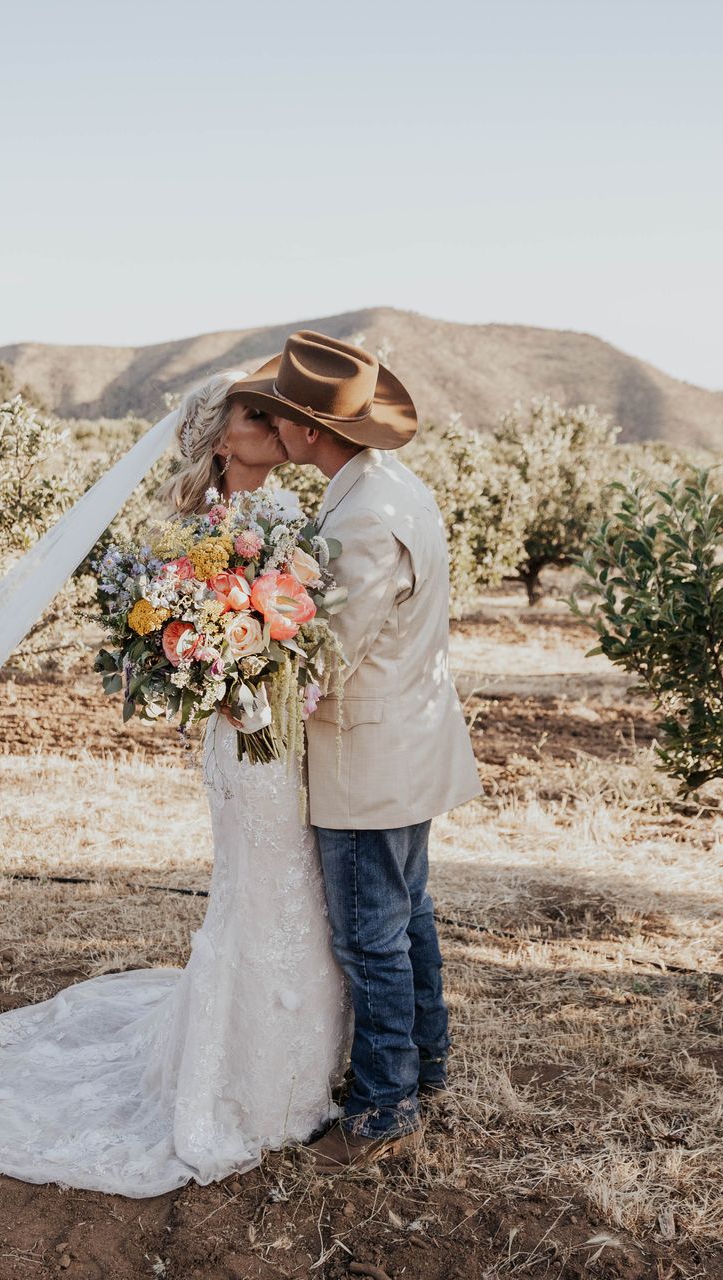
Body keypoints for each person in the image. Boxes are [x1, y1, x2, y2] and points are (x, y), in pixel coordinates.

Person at [0, 370, 351, 1196]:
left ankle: (295, 1067)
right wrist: (225, 672)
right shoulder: (202, 536)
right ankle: (247, 1088)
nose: (276, 425)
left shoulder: (297, 522)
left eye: (275, 413)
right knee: (266, 892)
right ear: (223, 440)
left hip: (291, 736)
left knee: (297, 896)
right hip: (247, 741)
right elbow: (187, 643)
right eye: (256, 416)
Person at [225, 331, 483, 1170]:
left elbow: (328, 654)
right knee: (407, 913)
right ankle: (426, 1063)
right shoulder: (389, 486)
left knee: (370, 933)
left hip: (370, 754)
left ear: (308, 431)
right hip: (405, 739)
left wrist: (236, 662)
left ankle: (383, 1107)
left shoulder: (366, 515)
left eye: (287, 418)